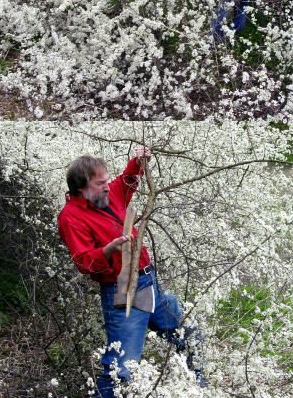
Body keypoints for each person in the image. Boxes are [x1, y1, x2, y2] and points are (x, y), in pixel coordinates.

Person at [58, 147, 204, 397]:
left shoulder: (108, 195)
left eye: (106, 180)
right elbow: (83, 262)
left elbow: (126, 180)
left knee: (187, 334)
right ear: (82, 187)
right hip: (123, 290)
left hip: (149, 281)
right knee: (121, 369)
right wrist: (107, 250)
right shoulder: (71, 218)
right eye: (100, 182)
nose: (107, 186)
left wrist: (138, 161)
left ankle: (197, 389)